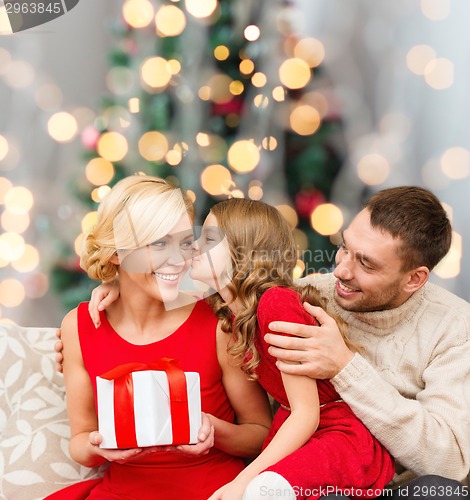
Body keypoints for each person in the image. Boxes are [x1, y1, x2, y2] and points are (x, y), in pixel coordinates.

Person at [86, 198, 395, 500]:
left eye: (208, 239)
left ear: (240, 252)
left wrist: (242, 480)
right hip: (302, 434)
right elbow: (153, 289)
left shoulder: (275, 303)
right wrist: (114, 285)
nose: (192, 247)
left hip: (336, 435)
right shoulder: (227, 307)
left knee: (259, 491)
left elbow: (306, 414)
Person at [47, 175, 272, 500]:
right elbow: (80, 442)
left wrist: (211, 428)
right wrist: (101, 447)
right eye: (158, 243)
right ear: (115, 252)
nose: (178, 259)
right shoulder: (79, 327)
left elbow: (260, 433)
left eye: (184, 242)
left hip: (213, 491)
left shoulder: (217, 320)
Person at [264, 186, 470, 499]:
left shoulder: (454, 325)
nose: (341, 270)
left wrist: (345, 367)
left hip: (399, 490)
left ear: (413, 279)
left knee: (441, 492)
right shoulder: (305, 296)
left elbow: (449, 463)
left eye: (367, 264)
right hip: (315, 478)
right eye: (344, 247)